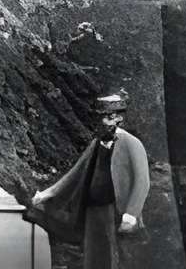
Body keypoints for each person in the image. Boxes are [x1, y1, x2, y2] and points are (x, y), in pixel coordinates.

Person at [29, 93, 150, 269]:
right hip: (92, 210)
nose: (104, 122)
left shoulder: (132, 144)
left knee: (118, 257)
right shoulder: (96, 143)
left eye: (109, 117)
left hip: (115, 211)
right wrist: (49, 193)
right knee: (93, 256)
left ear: (119, 118)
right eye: (101, 117)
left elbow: (142, 181)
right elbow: (76, 172)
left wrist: (131, 213)